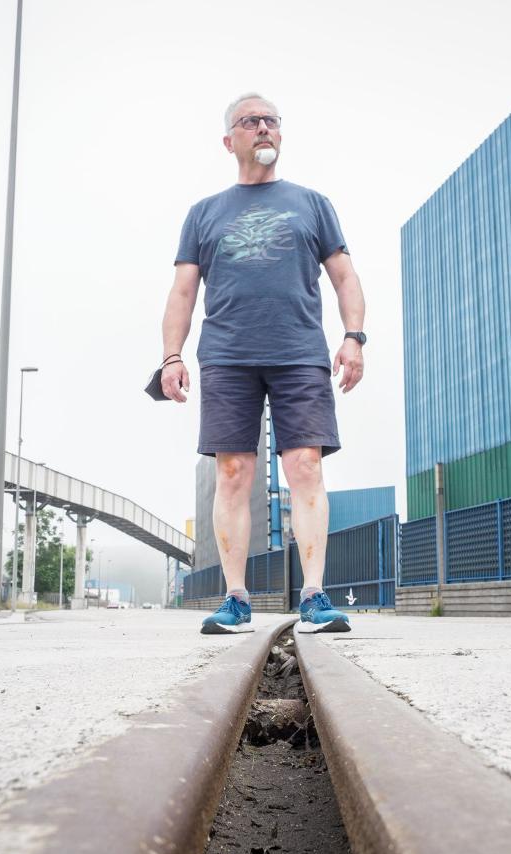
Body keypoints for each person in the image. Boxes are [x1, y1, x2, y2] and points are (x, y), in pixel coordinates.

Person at [159, 93, 367, 635]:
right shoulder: (204, 213)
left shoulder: (313, 203)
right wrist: (171, 356)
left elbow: (345, 277)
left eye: (272, 120)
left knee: (306, 468)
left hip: (299, 351)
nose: (264, 129)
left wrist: (353, 338)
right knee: (233, 472)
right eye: (250, 122)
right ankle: (236, 600)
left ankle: (315, 597)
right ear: (230, 141)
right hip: (228, 356)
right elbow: (182, 292)